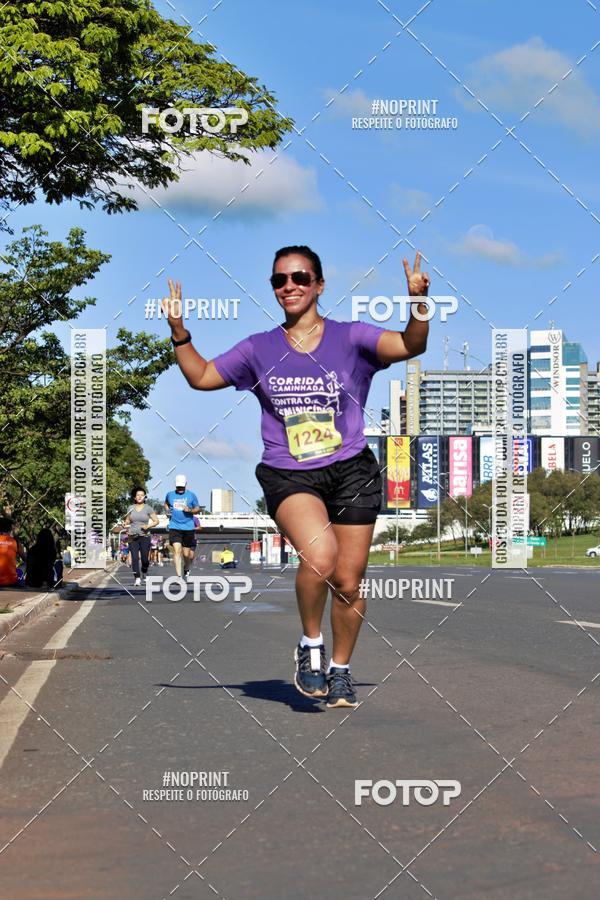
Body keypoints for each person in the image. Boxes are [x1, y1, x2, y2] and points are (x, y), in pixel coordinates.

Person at [162, 246, 429, 708]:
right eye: (280, 280)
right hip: (290, 473)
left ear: (319, 285)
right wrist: (180, 334)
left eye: (300, 277)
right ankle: (310, 647)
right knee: (320, 555)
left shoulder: (351, 339)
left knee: (348, 582)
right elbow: (203, 377)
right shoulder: (258, 348)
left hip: (350, 470)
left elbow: (410, 345)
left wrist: (419, 303)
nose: (290, 286)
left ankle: (341, 672)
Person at [164, 474, 201, 581]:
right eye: (178, 487)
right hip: (174, 526)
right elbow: (165, 504)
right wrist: (167, 511)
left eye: (182, 487)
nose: (180, 489)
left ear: (185, 484)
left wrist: (189, 510)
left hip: (188, 528)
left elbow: (197, 509)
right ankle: (179, 577)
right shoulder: (170, 495)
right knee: (176, 551)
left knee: (186, 554)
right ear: (175, 485)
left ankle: (187, 568)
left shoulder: (191, 495)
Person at [123, 488, 159, 586]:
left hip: (145, 536)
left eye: (141, 495)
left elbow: (156, 521)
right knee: (134, 558)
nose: (139, 497)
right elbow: (128, 520)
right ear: (135, 497)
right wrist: (125, 523)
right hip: (132, 536)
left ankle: (144, 571)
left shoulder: (148, 508)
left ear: (145, 497)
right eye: (137, 495)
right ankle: (137, 578)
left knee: (144, 559)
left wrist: (148, 526)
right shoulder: (130, 508)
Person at [0, 517, 26, 587]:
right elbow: (25, 559)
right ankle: (19, 577)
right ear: (10, 529)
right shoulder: (15, 541)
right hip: (11, 581)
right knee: (25, 564)